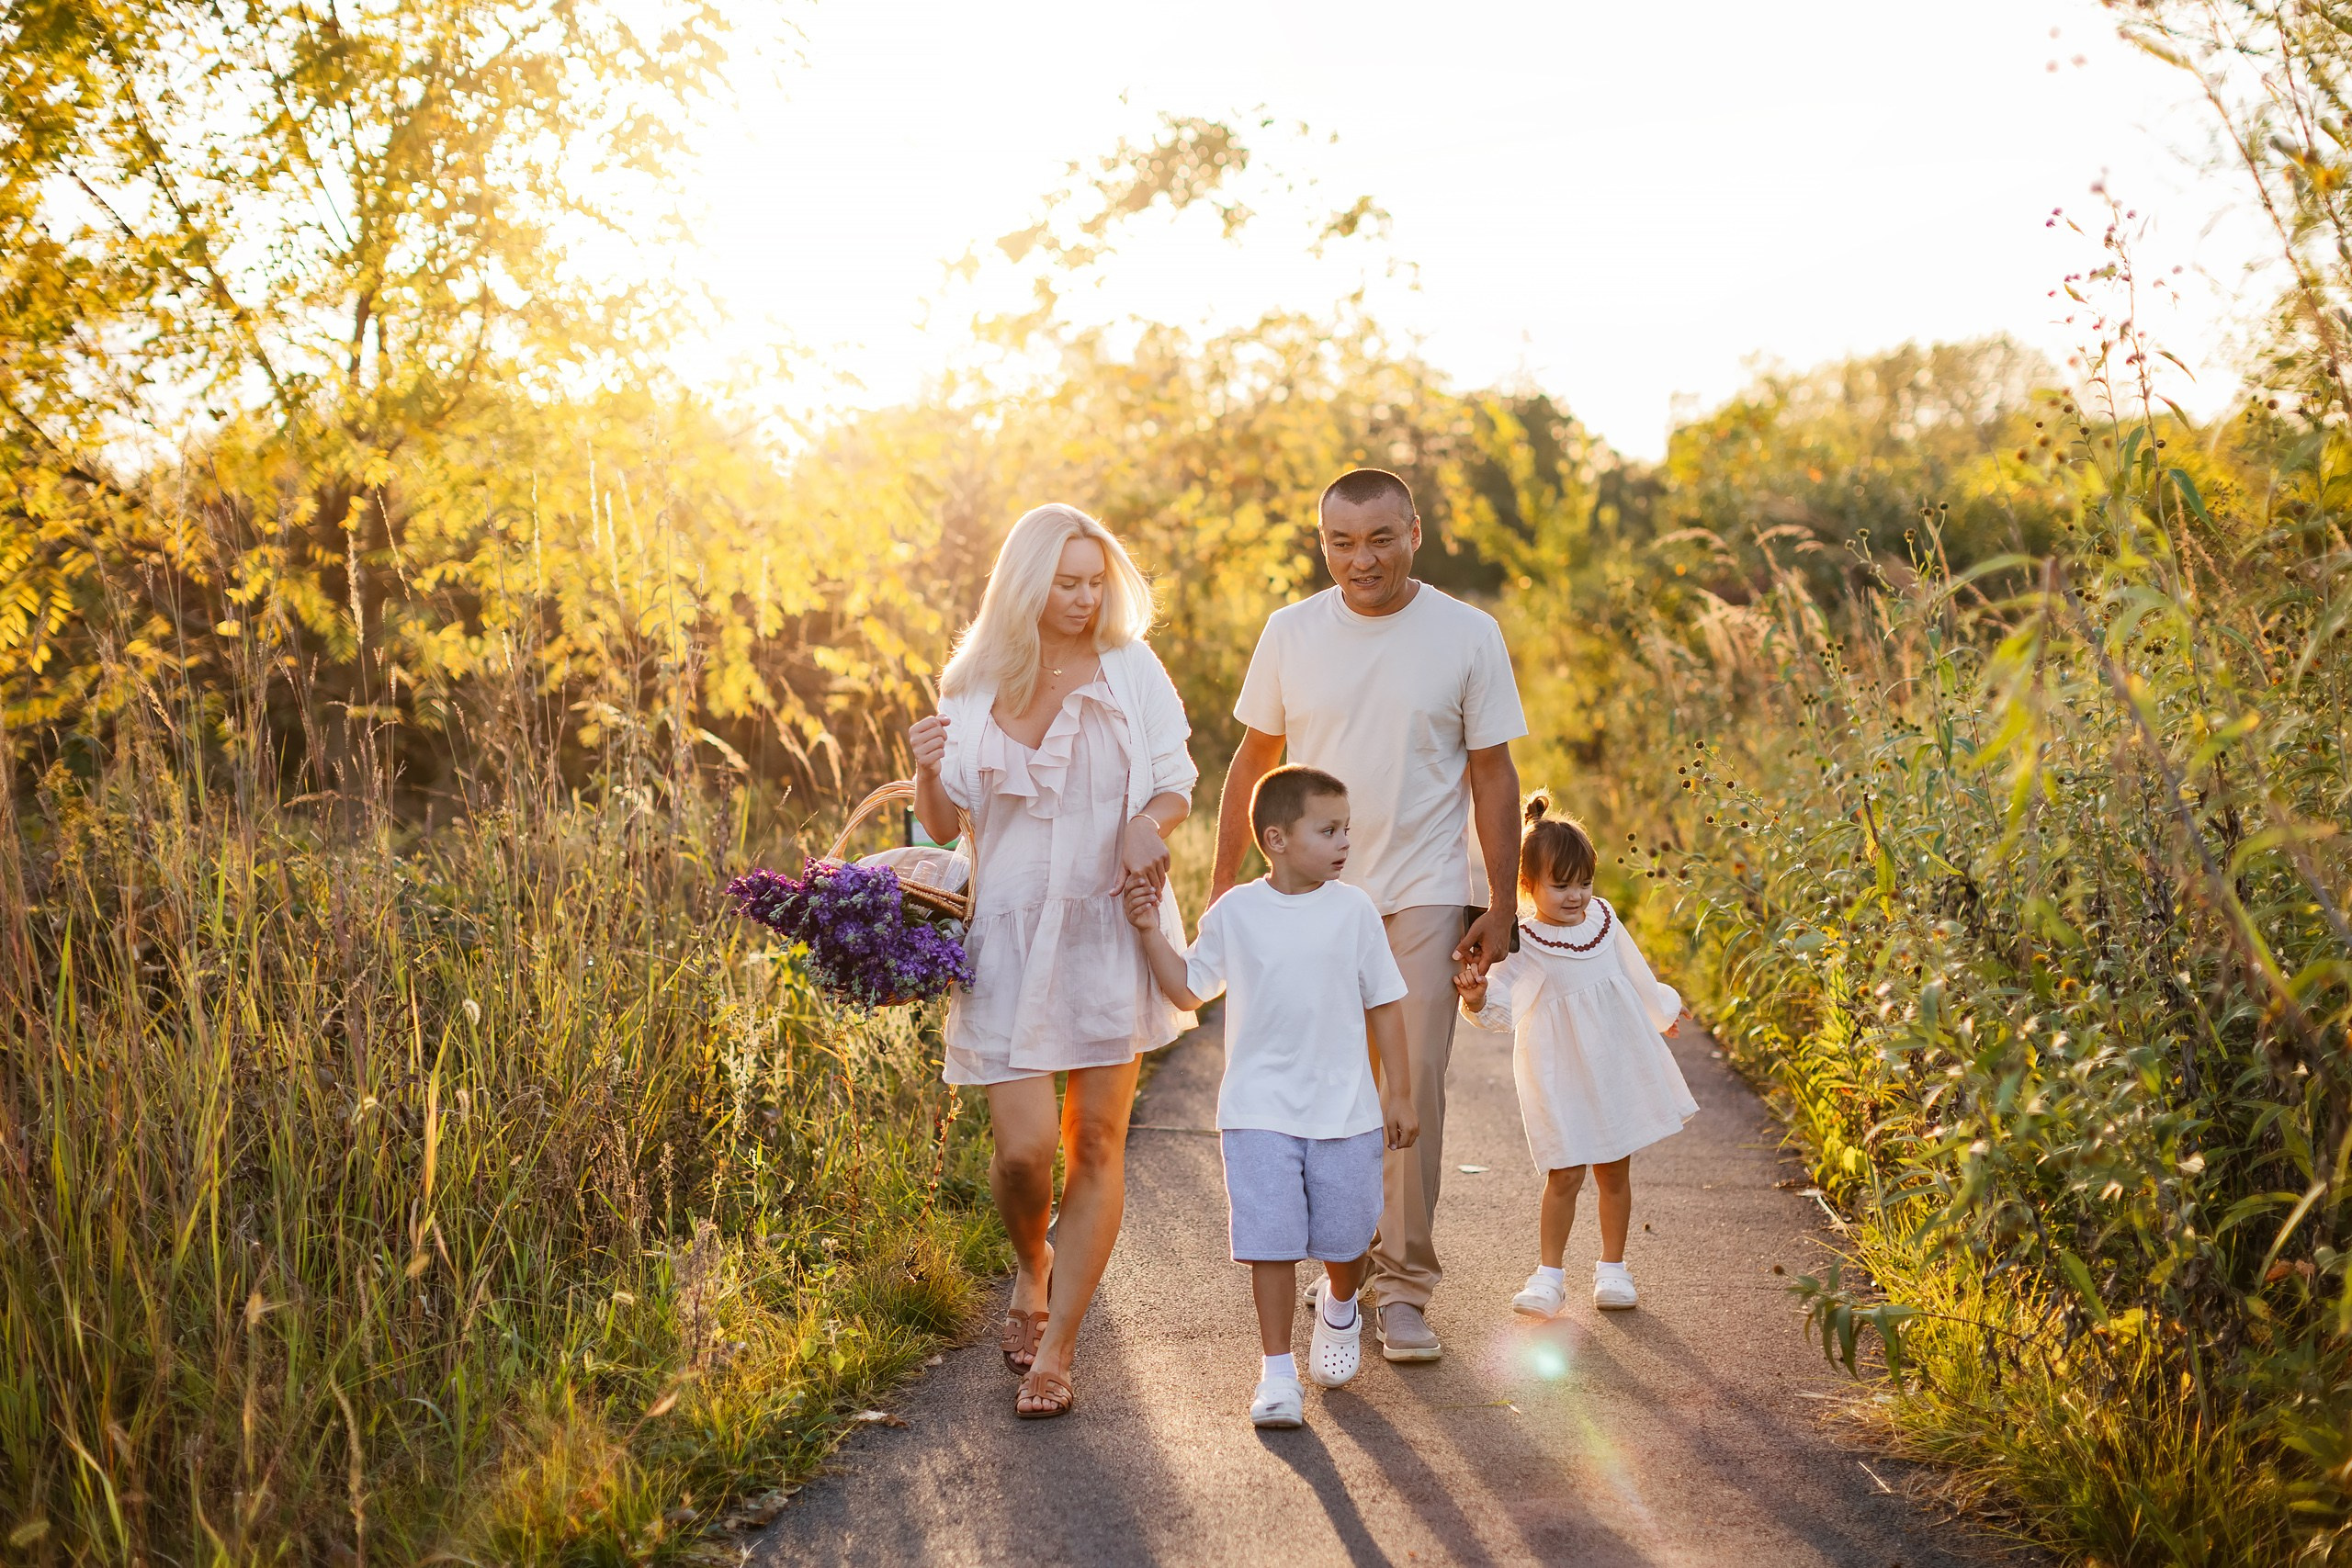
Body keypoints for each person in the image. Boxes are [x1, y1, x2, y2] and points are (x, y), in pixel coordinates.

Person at [1213, 467, 1525, 1362]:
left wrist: (1500, 906)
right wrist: (1218, 886)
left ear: (1414, 533)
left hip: (1423, 889)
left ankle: (1403, 1289)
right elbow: (1251, 764)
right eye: (1341, 541)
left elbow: (1492, 774)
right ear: (1323, 544)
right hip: (1311, 900)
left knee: (1411, 1082)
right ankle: (1343, 1270)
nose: (1362, 558)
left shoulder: (1468, 635)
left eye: (1380, 538)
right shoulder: (1290, 633)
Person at [907, 502, 1197, 1419]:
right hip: (1007, 933)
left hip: (1111, 921)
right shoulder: (971, 679)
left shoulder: (1130, 666)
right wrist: (920, 768)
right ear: (1025, 586)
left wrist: (1145, 828)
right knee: (1025, 1154)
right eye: (1065, 583)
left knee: (1097, 1143)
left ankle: (1059, 1350)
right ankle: (1029, 1269)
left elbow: (1174, 781)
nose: (1082, 599)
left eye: (1093, 582)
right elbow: (944, 827)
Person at [1125, 765, 1419, 1427]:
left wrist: (1399, 1093)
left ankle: (1340, 1304)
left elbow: (1388, 1006)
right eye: (1329, 829)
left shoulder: (1354, 911)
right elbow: (1188, 988)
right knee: (1272, 1240)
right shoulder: (1237, 912)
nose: (1345, 842)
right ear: (1277, 838)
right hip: (1258, 1111)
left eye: (1347, 828)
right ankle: (1277, 1373)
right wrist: (1148, 931)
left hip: (1345, 1111)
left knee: (1347, 1235)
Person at [1453, 796, 1696, 1316]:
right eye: (1560, 886)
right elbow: (1501, 1006)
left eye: (1582, 883)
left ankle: (1613, 1268)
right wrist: (1475, 997)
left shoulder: (1604, 919)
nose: (1576, 896)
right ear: (1528, 886)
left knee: (1613, 1169)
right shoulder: (1527, 940)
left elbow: (1634, 971)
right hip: (1557, 1071)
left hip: (1613, 1063)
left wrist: (1661, 1011)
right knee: (1564, 1173)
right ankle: (1549, 1276)